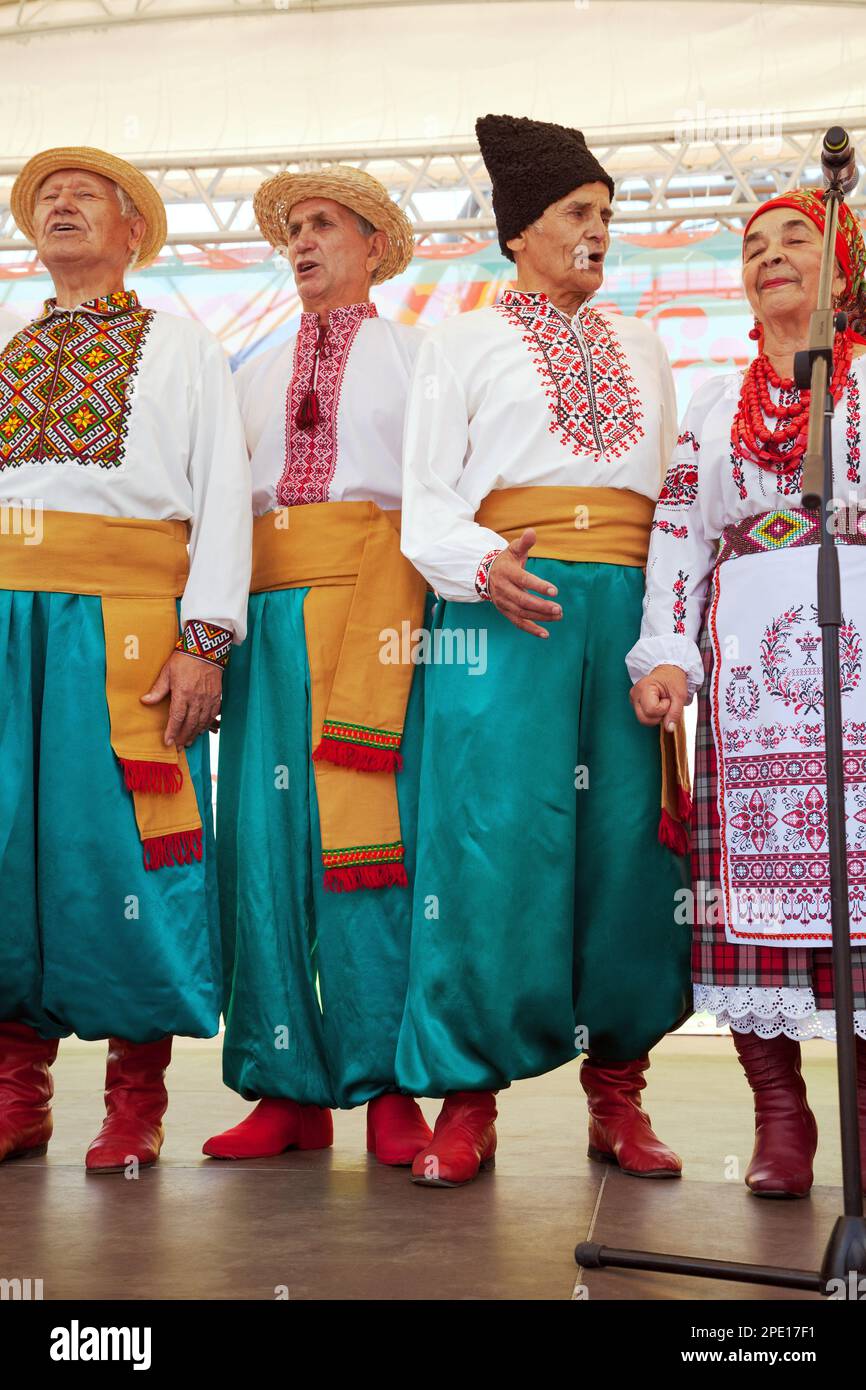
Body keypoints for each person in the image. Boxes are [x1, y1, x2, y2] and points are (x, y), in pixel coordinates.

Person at [397, 113, 692, 1188]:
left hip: (621, 611)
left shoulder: (644, 345)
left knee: (626, 849)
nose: (598, 229)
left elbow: (673, 506)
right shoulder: (460, 341)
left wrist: (663, 635)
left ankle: (618, 1097)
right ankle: (466, 1099)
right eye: (577, 212)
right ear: (519, 229)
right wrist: (483, 565)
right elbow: (425, 501)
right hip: (503, 609)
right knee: (490, 844)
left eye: (606, 212)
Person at [0, 147, 251, 1172]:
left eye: (84, 196)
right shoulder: (6, 341)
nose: (61, 207)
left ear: (134, 230)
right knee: (7, 844)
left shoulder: (185, 348)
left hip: (127, 629)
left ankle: (135, 1099)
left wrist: (205, 640)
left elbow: (224, 496)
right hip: (7, 619)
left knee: (129, 850)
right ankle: (17, 1092)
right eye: (47, 198)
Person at [629, 187, 866, 1197]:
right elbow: (679, 532)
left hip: (861, 671)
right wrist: (665, 653)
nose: (769, 255)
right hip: (752, 685)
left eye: (795, 237)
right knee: (745, 897)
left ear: (843, 264)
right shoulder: (717, 401)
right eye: (752, 245)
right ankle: (779, 1115)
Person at [203, 166, 435, 1167]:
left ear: (374, 247)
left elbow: (443, 497)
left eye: (324, 225)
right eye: (292, 229)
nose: (301, 241)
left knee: (373, 843)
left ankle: (388, 1087)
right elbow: (216, 510)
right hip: (265, 612)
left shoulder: (423, 358)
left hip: (378, 609)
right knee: (261, 847)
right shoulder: (247, 371)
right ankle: (283, 1086)